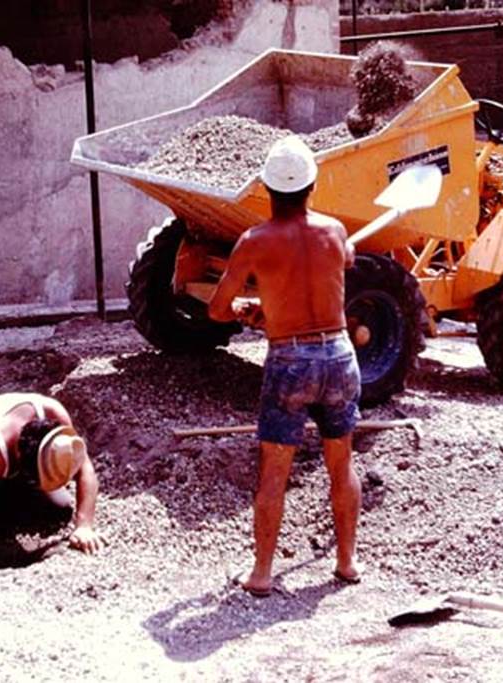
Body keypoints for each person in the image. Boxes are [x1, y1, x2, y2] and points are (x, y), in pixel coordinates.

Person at [208, 136, 362, 597]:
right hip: (337, 352)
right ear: (312, 185)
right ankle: (347, 563)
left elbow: (217, 309)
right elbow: (345, 261)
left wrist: (250, 311)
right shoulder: (335, 231)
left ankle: (261, 574)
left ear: (266, 189)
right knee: (342, 461)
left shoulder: (254, 241)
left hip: (290, 359)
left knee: (275, 470)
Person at [0, 392, 104, 556]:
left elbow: (85, 469)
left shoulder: (55, 416)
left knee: (62, 504)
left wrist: (84, 526)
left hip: (11, 450)